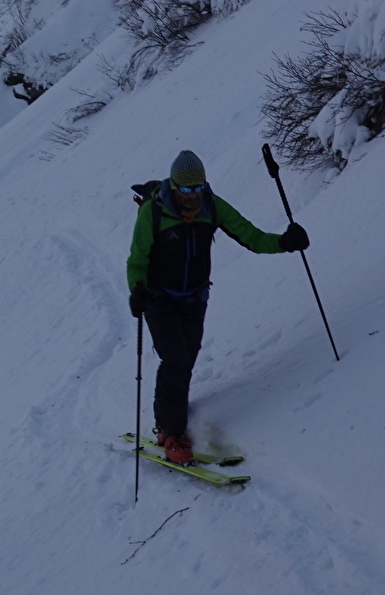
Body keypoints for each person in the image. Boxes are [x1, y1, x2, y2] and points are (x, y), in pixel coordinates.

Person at [126, 149, 309, 464]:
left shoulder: (212, 206)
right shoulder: (153, 213)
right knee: (176, 359)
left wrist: (284, 243)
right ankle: (171, 432)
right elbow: (137, 259)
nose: (193, 196)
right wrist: (137, 290)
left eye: (198, 189)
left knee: (187, 357)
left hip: (195, 297)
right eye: (186, 190)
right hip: (158, 298)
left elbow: (249, 235)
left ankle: (166, 419)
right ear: (174, 187)